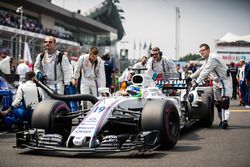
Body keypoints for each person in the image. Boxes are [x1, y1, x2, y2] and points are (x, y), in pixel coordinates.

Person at [188, 43, 232, 129]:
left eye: (203, 50)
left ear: (208, 50)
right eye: (200, 51)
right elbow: (201, 69)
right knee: (218, 103)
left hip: (224, 81)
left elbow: (205, 72)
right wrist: (190, 78)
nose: (201, 52)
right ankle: (222, 120)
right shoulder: (207, 59)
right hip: (216, 81)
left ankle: (225, 121)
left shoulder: (213, 58)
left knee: (224, 101)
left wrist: (196, 83)